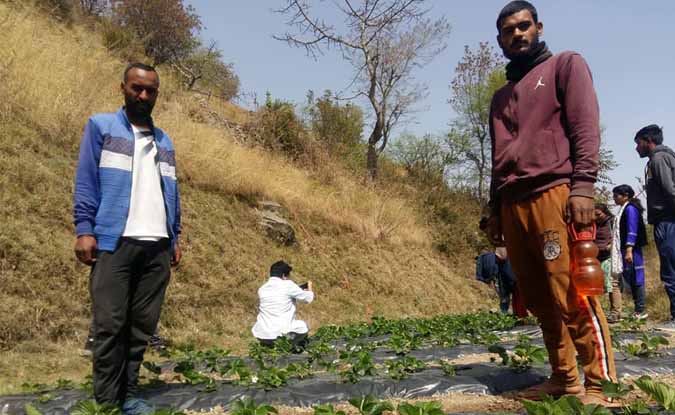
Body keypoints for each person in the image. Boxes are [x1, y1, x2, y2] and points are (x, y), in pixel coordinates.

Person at [484, 1, 616, 405]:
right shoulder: (500, 97)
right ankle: (564, 379)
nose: (518, 34)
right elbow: (499, 155)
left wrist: (583, 187)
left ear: (538, 27)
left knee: (572, 290)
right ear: (500, 40)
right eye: (509, 30)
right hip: (512, 202)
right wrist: (494, 210)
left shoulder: (564, 66)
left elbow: (583, 125)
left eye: (524, 26)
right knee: (539, 298)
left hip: (554, 194)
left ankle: (600, 384)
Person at [73, 63, 182, 414]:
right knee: (110, 326)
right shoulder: (101, 127)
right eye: (137, 88)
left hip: (157, 247)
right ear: (123, 87)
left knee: (140, 328)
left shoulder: (164, 141)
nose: (143, 95)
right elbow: (87, 180)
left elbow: (172, 193)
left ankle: (130, 394)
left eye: (150, 90)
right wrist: (84, 228)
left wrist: (174, 236)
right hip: (114, 242)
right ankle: (107, 402)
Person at [635, 124, 675, 329]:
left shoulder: (658, 160)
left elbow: (671, 190)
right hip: (666, 221)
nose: (636, 148)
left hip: (667, 221)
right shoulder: (660, 159)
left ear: (648, 141)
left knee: (670, 269)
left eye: (638, 143)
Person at [252, 261, 315, 351]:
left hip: (262, 334)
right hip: (280, 334)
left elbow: (278, 295)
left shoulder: (262, 289)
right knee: (303, 326)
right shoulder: (288, 285)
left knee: (270, 332)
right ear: (284, 275)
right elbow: (308, 298)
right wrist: (309, 288)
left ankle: (268, 347)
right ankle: (289, 348)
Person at [612, 185, 648, 320]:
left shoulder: (630, 209)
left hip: (632, 250)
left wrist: (629, 249)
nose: (614, 198)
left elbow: (632, 230)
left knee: (637, 277)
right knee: (630, 278)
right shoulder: (624, 209)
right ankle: (637, 309)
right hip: (626, 249)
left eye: (616, 196)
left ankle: (641, 310)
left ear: (625, 195)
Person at [475, 247, 527, 318]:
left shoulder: (500, 257)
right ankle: (516, 315)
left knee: (514, 296)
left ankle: (517, 315)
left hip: (510, 278)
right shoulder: (495, 259)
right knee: (511, 297)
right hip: (507, 278)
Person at [595, 203, 621, 322]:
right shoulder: (593, 223)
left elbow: (618, 236)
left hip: (609, 256)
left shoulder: (612, 222)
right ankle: (596, 312)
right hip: (595, 256)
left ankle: (615, 313)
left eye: (598, 214)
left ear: (605, 212)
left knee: (611, 284)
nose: (596, 216)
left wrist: (611, 245)